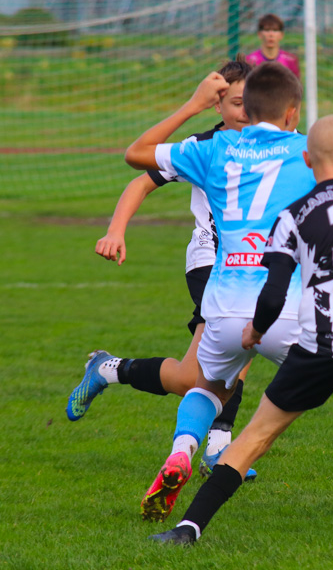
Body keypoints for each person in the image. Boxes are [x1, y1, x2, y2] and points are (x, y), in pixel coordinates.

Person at [123, 62, 333, 523]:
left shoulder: (214, 146)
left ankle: (184, 452)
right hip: (280, 305)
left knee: (207, 385)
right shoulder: (306, 151)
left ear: (247, 108)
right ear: (291, 114)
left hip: (223, 307)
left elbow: (136, 154)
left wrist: (194, 104)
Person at [66, 58, 260, 481]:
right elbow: (139, 178)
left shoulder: (274, 146)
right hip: (212, 263)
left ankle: (108, 369)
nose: (246, 111)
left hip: (256, 267)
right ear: (218, 105)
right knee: (235, 347)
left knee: (201, 371)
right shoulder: (203, 146)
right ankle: (217, 447)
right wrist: (116, 230)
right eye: (237, 103)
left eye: (254, 102)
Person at [244, 13, 300, 78]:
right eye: (267, 30)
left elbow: (296, 86)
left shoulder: (290, 60)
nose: (271, 34)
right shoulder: (249, 60)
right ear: (259, 34)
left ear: (281, 35)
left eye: (275, 30)